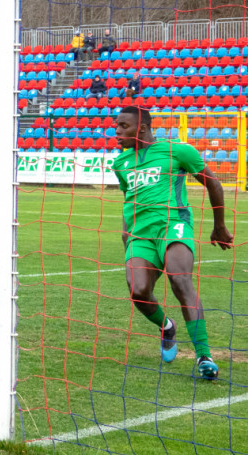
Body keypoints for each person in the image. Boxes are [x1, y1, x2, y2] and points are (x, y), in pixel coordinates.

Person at [111, 106, 233, 380]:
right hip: (139, 234)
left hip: (173, 225)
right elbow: (128, 200)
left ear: (141, 128)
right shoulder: (120, 163)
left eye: (123, 126)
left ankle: (204, 356)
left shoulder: (178, 151)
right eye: (116, 126)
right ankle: (166, 327)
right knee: (138, 290)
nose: (117, 131)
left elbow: (213, 183)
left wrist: (219, 225)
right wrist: (125, 233)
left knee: (180, 280)